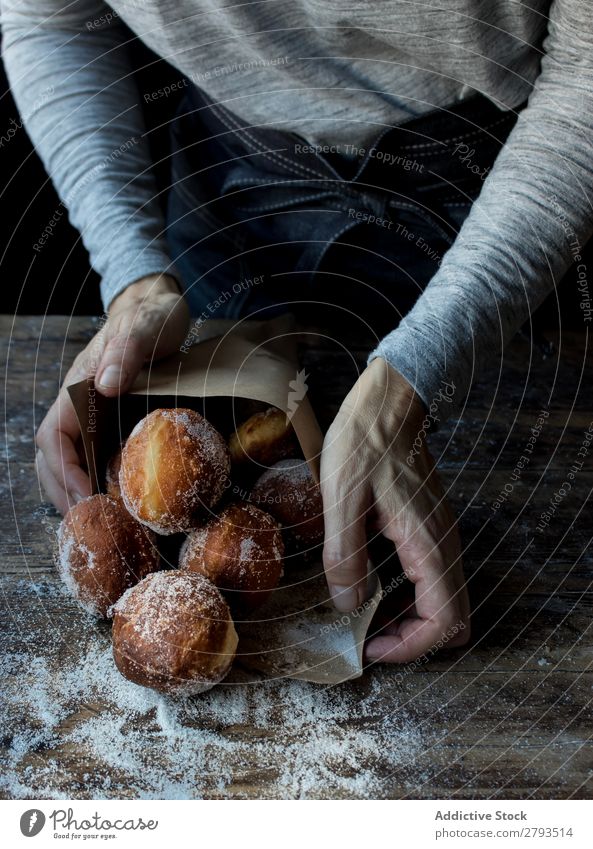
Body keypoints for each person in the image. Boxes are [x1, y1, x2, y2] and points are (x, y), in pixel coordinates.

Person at [2, 1, 591, 665]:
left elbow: (585, 77)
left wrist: (416, 373)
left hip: (498, 193)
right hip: (223, 168)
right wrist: (133, 274)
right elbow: (51, 18)